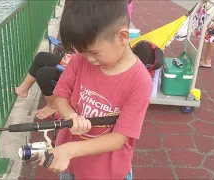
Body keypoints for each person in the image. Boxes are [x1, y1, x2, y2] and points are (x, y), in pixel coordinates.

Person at [39, 1, 152, 180]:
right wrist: (71, 117)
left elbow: (119, 138)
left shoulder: (140, 81)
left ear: (122, 37)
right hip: (72, 165)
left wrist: (70, 150)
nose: (88, 59)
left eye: (95, 52)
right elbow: (60, 97)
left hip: (107, 173)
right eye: (82, 52)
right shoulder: (79, 60)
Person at [15, 52, 70, 119]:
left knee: (43, 74)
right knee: (41, 57)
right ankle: (23, 89)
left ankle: (52, 106)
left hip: (79, 68)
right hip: (74, 61)